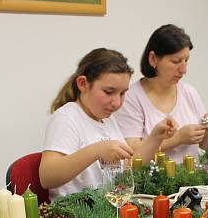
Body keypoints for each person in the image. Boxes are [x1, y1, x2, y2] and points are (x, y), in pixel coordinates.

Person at [40, 48, 175, 200]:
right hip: (75, 216)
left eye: (122, 93)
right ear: (83, 84)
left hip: (107, 210)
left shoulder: (108, 119)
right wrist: (97, 150)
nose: (117, 102)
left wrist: (156, 138)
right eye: (108, 92)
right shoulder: (67, 118)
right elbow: (47, 176)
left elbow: (127, 165)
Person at [114, 24, 208, 163]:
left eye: (186, 60)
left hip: (193, 181)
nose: (183, 70)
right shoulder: (131, 97)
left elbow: (207, 146)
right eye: (176, 61)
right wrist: (178, 139)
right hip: (151, 182)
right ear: (153, 59)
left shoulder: (189, 92)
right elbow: (131, 152)